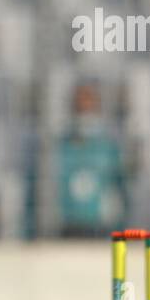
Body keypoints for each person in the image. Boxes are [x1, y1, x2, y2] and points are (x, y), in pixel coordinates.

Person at [56, 81, 127, 237]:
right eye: (80, 109)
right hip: (67, 228)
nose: (85, 115)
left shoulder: (108, 148)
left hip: (101, 228)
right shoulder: (60, 148)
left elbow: (119, 186)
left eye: (89, 108)